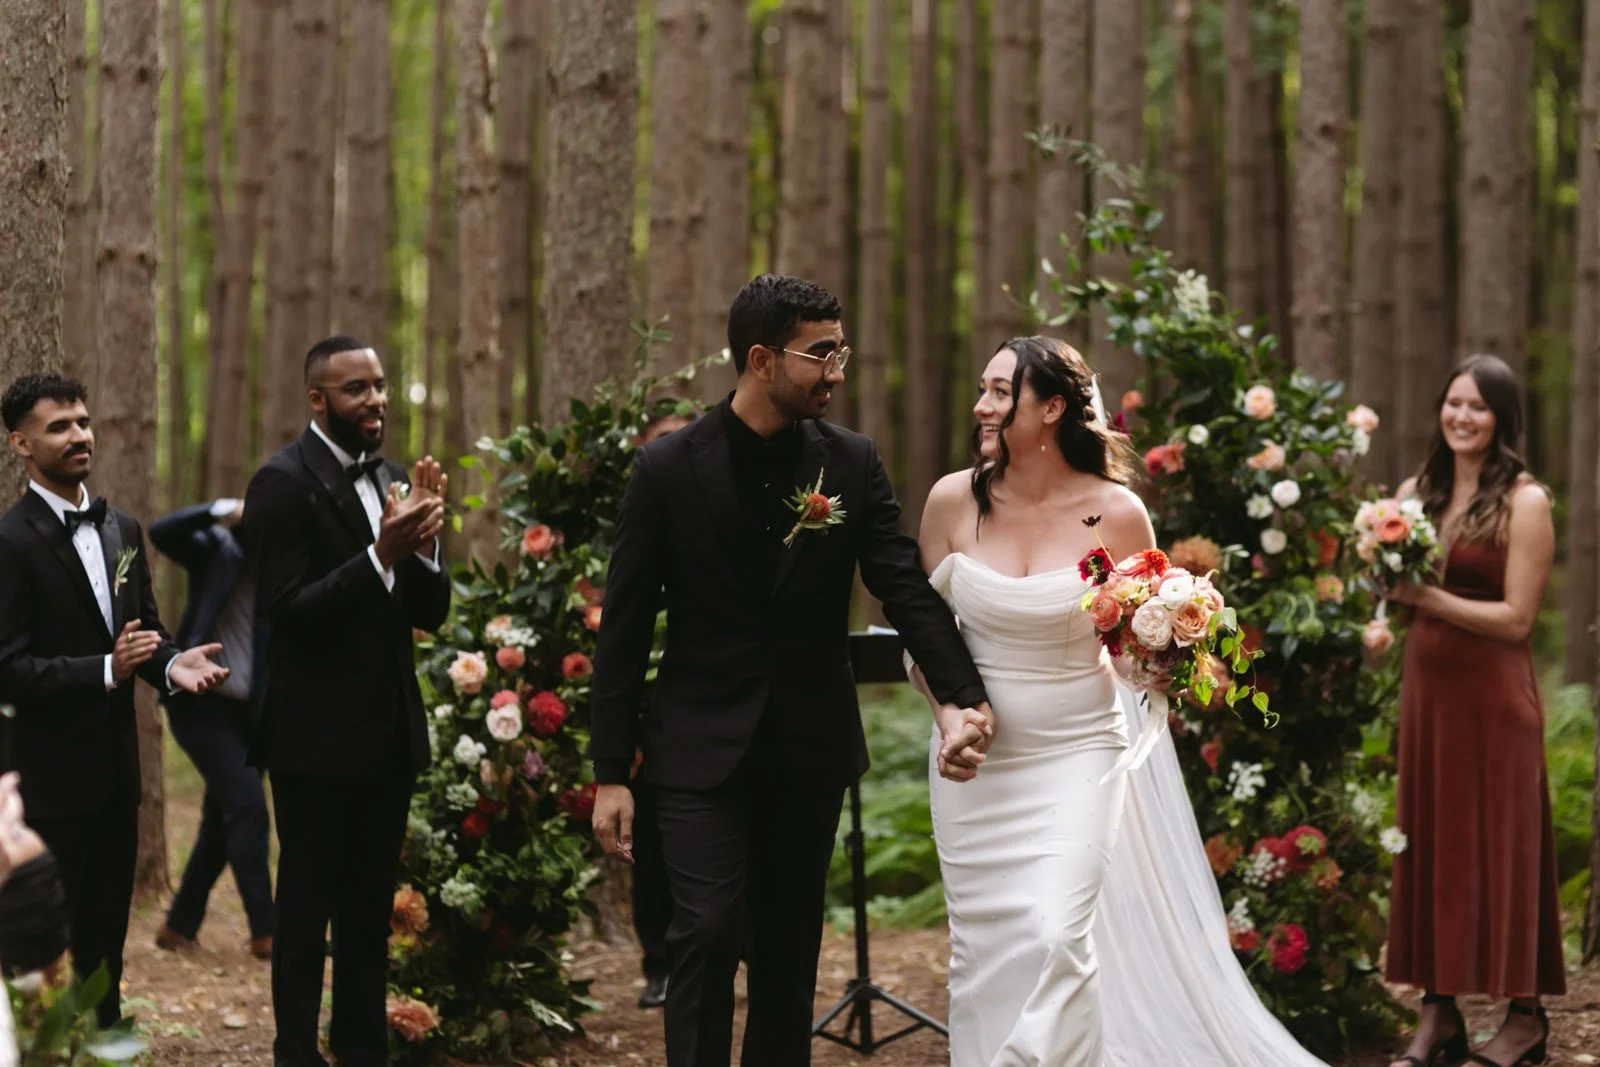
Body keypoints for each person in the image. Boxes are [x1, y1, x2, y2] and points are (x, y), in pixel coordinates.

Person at [588, 274, 994, 1067]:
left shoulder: (850, 461)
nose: (838, 369)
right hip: (697, 748)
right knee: (702, 930)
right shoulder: (666, 469)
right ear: (762, 358)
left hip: (807, 748)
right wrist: (610, 771)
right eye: (822, 353)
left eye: (841, 350)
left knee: (787, 950)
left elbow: (900, 583)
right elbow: (625, 629)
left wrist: (964, 692)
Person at [908, 337, 1329, 1066]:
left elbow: (1132, 644)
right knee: (985, 953)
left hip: (1080, 755)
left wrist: (1163, 664)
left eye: (1001, 392)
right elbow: (924, 645)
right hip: (976, 771)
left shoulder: (1117, 513)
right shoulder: (952, 501)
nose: (982, 405)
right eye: (983, 388)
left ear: (1053, 408)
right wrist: (950, 717)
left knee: (1056, 936)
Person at [242, 336, 450, 1067]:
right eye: (357, 388)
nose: (376, 400)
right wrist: (378, 556)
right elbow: (287, 610)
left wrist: (426, 543)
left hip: (387, 736)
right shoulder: (279, 482)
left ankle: (363, 1052)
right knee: (303, 915)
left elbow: (429, 613)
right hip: (311, 740)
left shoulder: (392, 476)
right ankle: (295, 1054)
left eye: (381, 385)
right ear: (318, 400)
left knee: (368, 913)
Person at [0, 373, 230, 1027]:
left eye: (83, 421)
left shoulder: (123, 529)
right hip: (45, 784)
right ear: (21, 442)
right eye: (59, 426)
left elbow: (144, 632)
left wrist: (170, 661)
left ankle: (104, 1039)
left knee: (107, 943)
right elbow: (7, 668)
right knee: (45, 948)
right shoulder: (9, 543)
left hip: (115, 779)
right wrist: (103, 667)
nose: (79, 435)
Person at [1383, 354, 1564, 1067]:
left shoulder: (1526, 500)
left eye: (1479, 407)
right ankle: (1439, 1015)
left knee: (1505, 844)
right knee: (1431, 841)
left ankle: (1525, 1019)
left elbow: (1519, 618)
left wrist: (1424, 599)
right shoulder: (1412, 495)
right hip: (1430, 699)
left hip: (1496, 701)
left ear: (1501, 419)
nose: (1462, 416)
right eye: (1454, 402)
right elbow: (1392, 589)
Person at [148, 496, 274, 960]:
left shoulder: (284, 569)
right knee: (248, 809)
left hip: (252, 717)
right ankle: (267, 930)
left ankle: (178, 926)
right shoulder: (217, 549)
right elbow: (162, 530)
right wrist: (225, 508)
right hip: (201, 708)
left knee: (220, 825)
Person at [631, 408, 695, 1011]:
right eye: (662, 443)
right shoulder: (640, 511)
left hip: (703, 716)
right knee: (648, 852)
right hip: (647, 719)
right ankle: (658, 964)